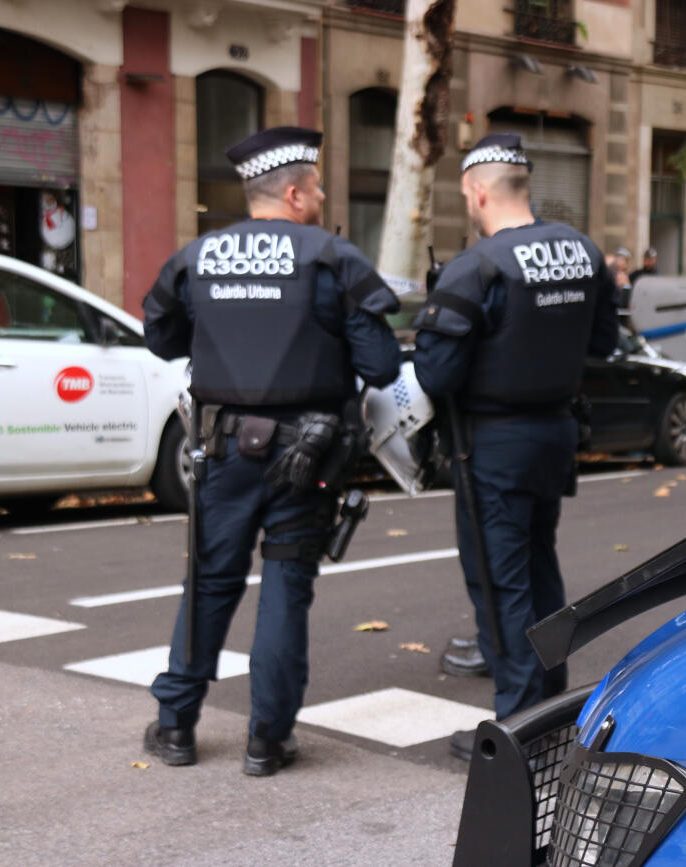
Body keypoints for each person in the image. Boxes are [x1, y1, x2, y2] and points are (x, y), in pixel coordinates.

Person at [140, 127, 402, 777]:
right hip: (308, 457)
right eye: (317, 188)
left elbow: (161, 337)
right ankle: (267, 739)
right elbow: (381, 362)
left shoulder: (197, 256)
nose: (321, 198)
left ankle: (176, 726)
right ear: (293, 194)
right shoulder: (332, 257)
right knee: (286, 587)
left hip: (222, 450)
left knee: (209, 581)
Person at [411, 133, 618, 758]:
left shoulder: (477, 267)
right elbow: (604, 343)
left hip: (494, 444)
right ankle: (552, 716)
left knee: (502, 585)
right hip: (555, 434)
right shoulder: (583, 252)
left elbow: (435, 374)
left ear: (477, 192)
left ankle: (518, 735)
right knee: (540, 571)